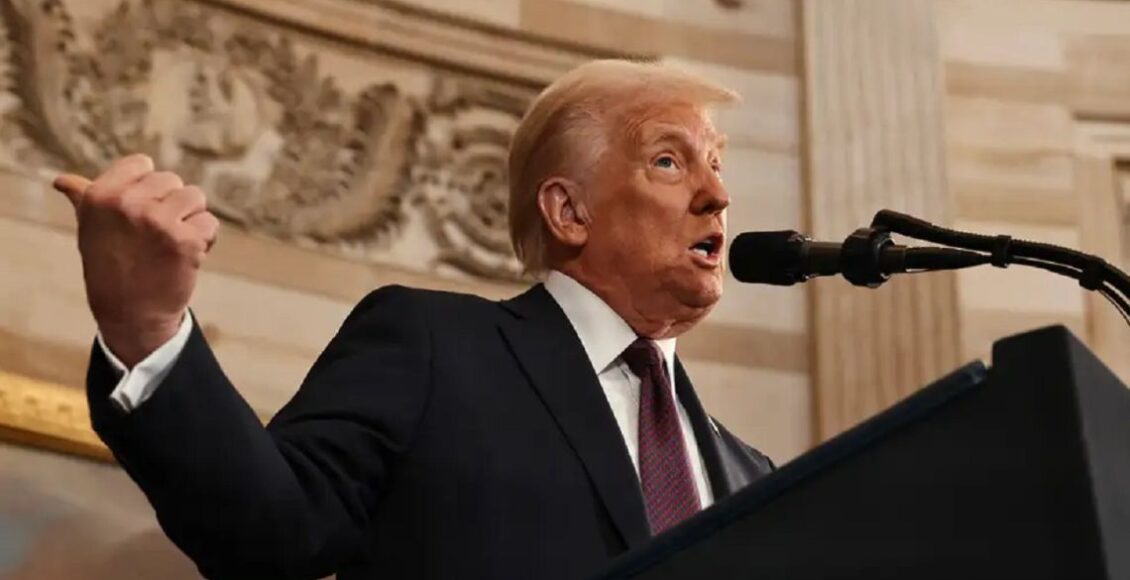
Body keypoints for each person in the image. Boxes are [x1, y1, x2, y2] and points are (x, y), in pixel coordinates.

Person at [55, 59, 774, 580]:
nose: (716, 194)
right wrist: (147, 329)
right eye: (670, 162)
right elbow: (271, 529)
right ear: (569, 212)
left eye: (716, 164)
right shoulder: (436, 349)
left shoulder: (753, 476)